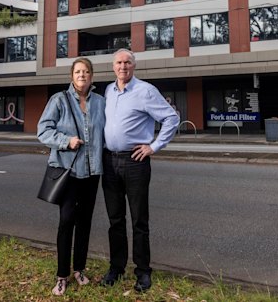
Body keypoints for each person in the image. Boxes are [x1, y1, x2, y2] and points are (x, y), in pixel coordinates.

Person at [101, 49, 179, 293]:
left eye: (127, 62)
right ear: (113, 66)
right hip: (109, 161)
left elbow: (171, 118)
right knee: (115, 220)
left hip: (135, 162)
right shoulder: (108, 91)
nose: (123, 66)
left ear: (134, 66)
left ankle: (143, 272)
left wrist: (153, 146)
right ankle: (116, 268)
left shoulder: (145, 91)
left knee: (139, 221)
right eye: (119, 62)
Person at [38, 57, 106, 296]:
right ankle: (61, 275)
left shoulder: (100, 102)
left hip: (92, 172)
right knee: (66, 222)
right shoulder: (59, 100)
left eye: (86, 71)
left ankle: (79, 270)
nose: (82, 75)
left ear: (92, 76)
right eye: (78, 71)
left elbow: (108, 132)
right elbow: (43, 131)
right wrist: (66, 141)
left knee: (85, 223)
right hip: (69, 171)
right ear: (71, 76)